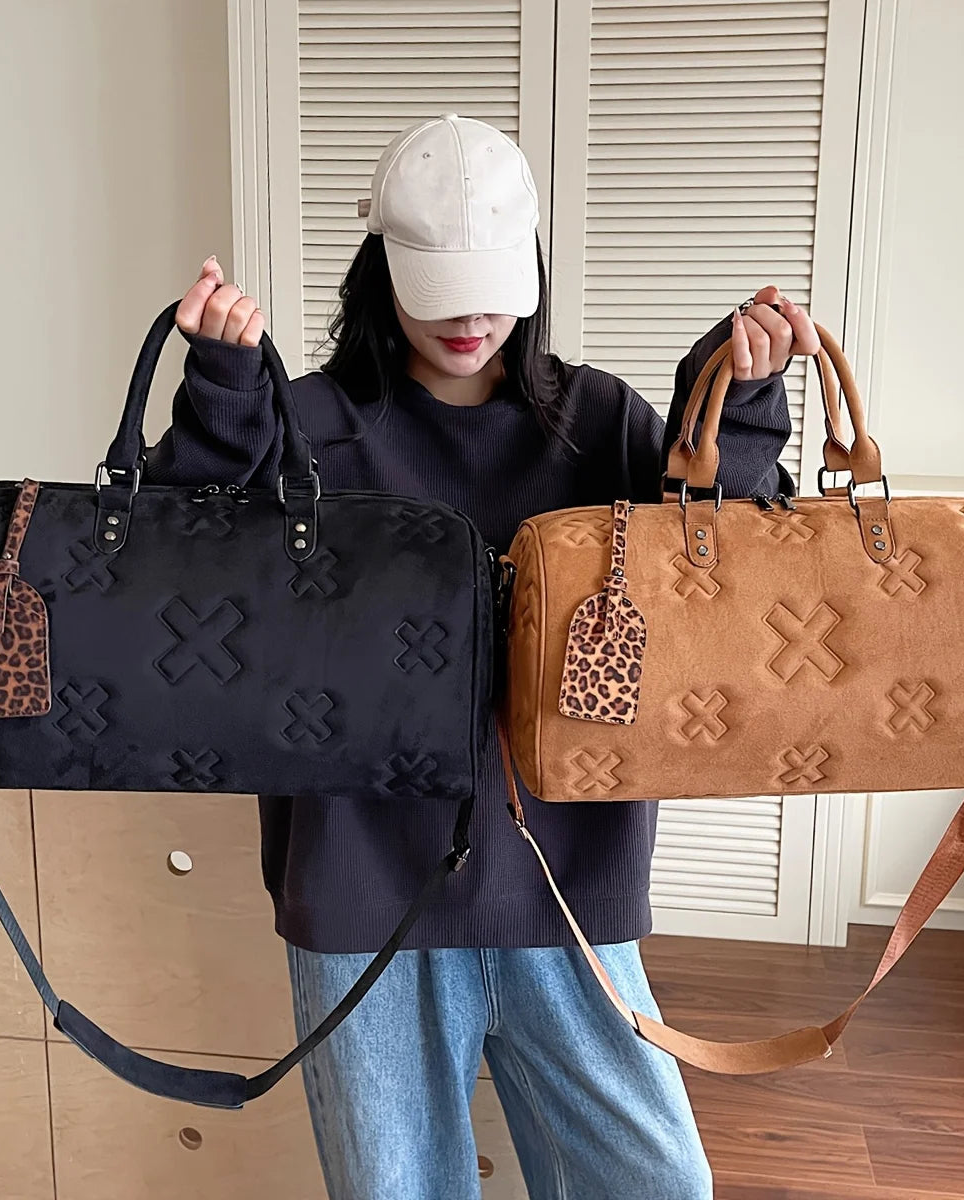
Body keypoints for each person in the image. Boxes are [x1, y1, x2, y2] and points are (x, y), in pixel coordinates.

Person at [148, 115, 819, 1200]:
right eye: (439, 289)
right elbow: (175, 568)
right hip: (368, 897)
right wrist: (224, 396)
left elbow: (723, 575)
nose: (469, 319)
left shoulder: (597, 421)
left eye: (492, 287)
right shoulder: (307, 425)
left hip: (568, 890)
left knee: (656, 1183)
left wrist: (730, 400)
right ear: (381, 271)